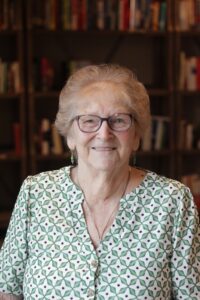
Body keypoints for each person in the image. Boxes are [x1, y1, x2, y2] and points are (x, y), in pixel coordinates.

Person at [0, 64, 200, 300]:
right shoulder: (36, 193)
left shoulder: (173, 201)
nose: (104, 134)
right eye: (89, 121)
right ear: (70, 136)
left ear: (136, 136)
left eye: (119, 120)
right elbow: (8, 291)